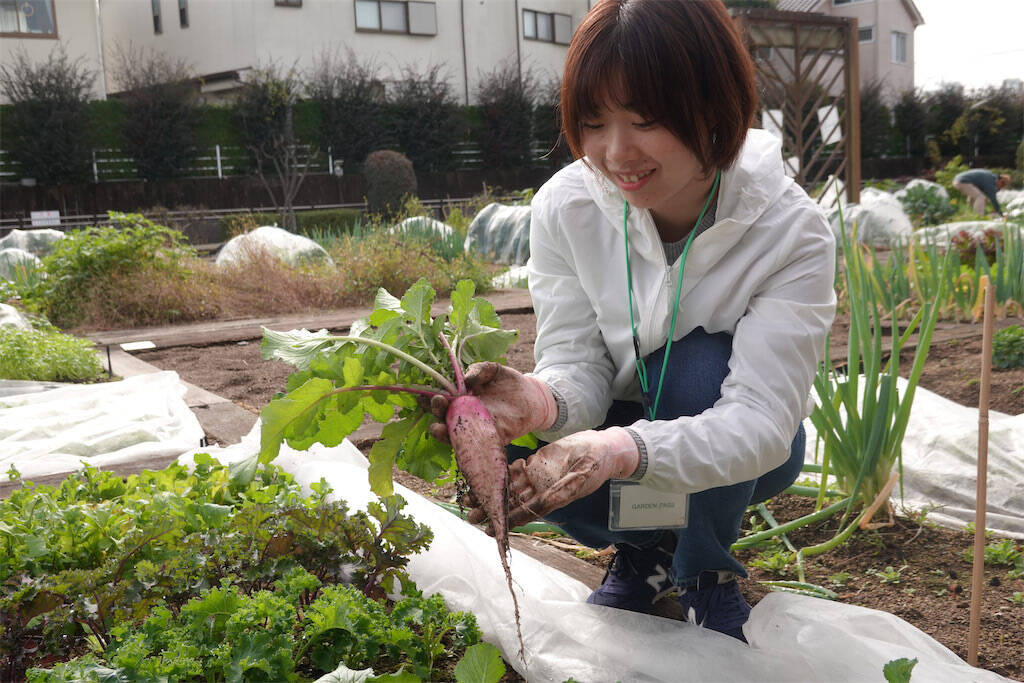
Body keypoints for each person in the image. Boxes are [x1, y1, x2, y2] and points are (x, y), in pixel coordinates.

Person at [431, 0, 836, 643]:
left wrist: (621, 450)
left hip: (744, 445)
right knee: (504, 428)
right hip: (620, 426)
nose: (615, 153)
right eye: (593, 123)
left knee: (700, 363)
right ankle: (645, 552)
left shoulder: (789, 231)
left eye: (645, 121)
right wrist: (537, 402)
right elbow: (578, 363)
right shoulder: (566, 207)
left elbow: (760, 422)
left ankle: (705, 567)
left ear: (712, 107)